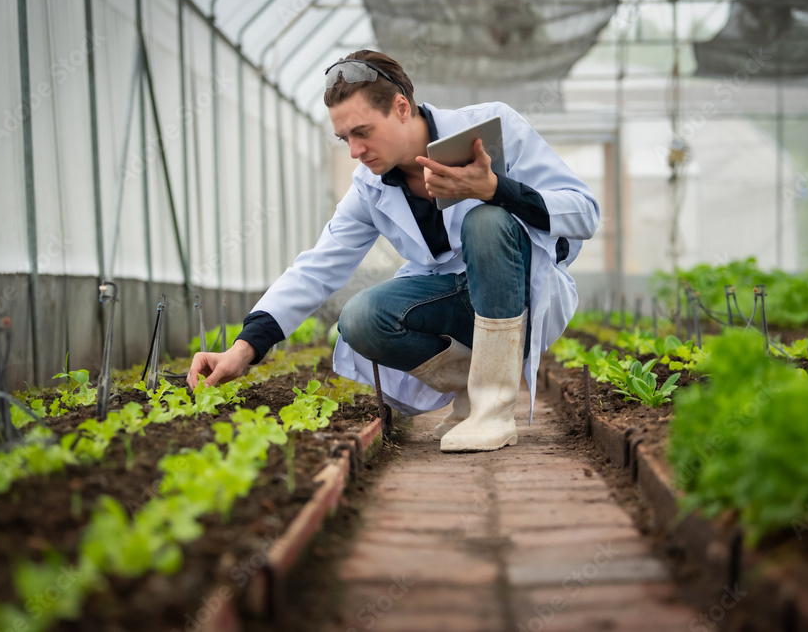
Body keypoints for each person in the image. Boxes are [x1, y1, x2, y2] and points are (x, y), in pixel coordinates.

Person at [187, 50, 599, 453]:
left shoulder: (493, 127)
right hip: (455, 304)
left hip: (520, 296)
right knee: (361, 319)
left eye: (362, 132)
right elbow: (316, 268)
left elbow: (585, 214)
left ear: (401, 107)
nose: (354, 150)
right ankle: (471, 397)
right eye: (344, 137)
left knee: (485, 221)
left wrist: (493, 190)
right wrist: (244, 348)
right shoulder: (370, 187)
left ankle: (494, 408)